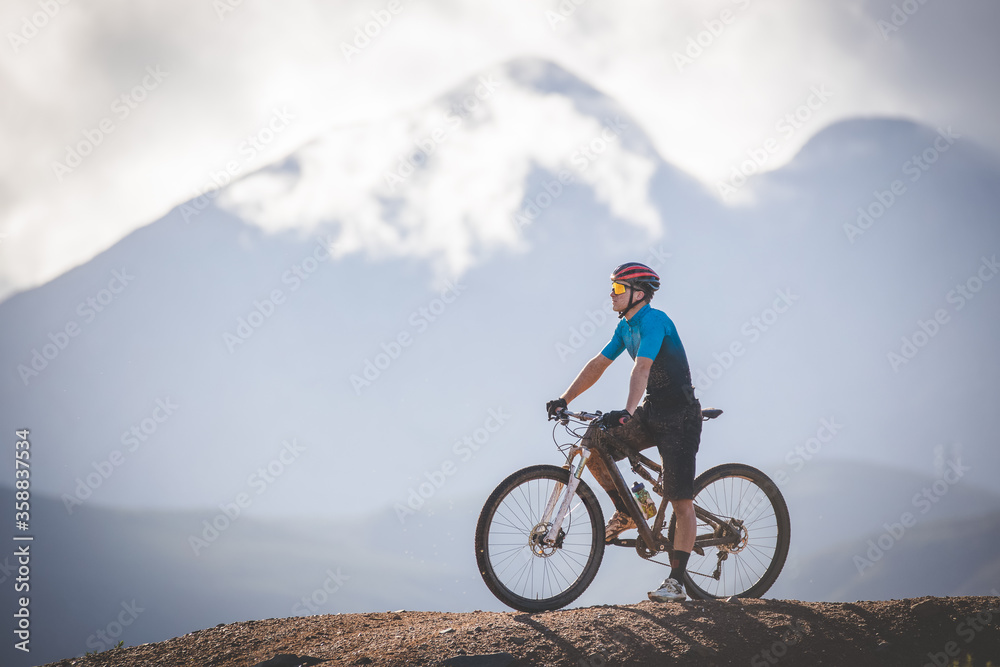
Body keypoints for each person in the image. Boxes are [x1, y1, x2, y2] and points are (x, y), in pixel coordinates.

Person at [546, 262, 702, 603]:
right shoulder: (624, 328)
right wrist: (564, 398)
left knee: (680, 501)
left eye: (618, 289)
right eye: (612, 288)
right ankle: (631, 509)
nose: (611, 295)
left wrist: (628, 412)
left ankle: (676, 582)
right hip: (653, 412)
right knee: (597, 442)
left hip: (680, 417)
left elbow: (642, 367)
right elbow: (598, 364)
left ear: (638, 294)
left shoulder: (654, 321)